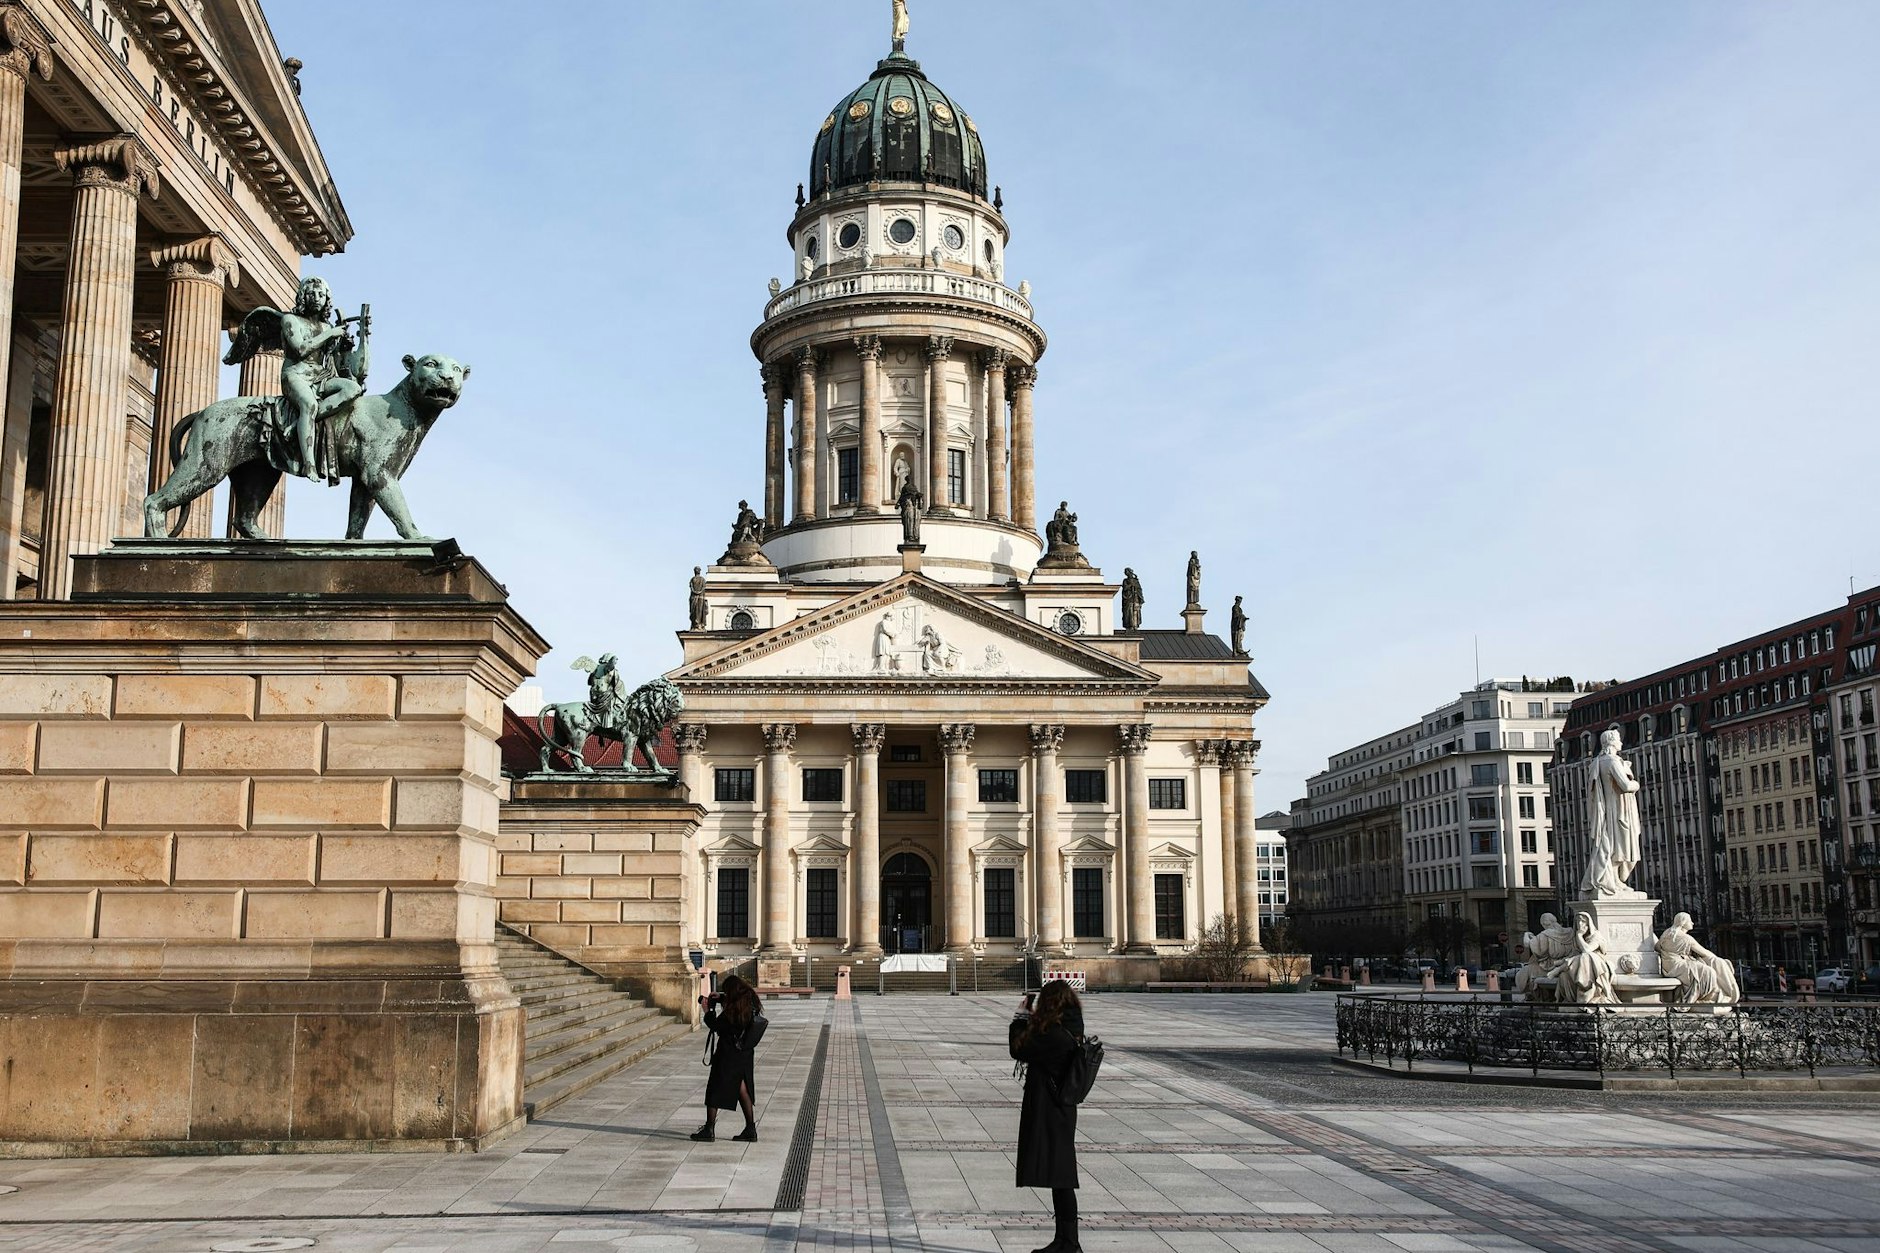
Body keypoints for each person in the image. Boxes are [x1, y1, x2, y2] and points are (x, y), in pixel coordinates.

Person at [1010, 979, 1085, 1253]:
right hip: (1060, 1110)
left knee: (1062, 1178)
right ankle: (1064, 1240)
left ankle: (1070, 1243)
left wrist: (1020, 1019)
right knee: (1059, 1177)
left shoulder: (1055, 1035)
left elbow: (1019, 1049)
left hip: (1052, 1111)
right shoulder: (1068, 1028)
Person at [692, 974, 762, 1142]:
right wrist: (721, 997)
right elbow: (737, 1000)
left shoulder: (732, 1011)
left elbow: (716, 1026)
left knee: (715, 1087)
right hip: (744, 1052)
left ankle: (709, 1129)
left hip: (728, 1054)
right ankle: (750, 1129)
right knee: (742, 1088)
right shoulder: (749, 1001)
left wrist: (707, 1011)